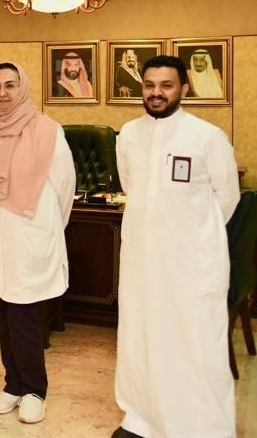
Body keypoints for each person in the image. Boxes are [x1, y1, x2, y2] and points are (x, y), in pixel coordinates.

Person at [113, 55, 239, 438]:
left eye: (166, 85)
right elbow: (132, 187)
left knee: (195, 346)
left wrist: (191, 237)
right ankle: (141, 419)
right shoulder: (128, 134)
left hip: (192, 265)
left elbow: (227, 198)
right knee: (141, 339)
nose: (156, 93)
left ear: (184, 88)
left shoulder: (207, 137)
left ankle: (203, 427)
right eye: (149, 85)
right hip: (142, 259)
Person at [0, 62, 75, 425]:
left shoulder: (47, 130)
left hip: (28, 234)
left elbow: (65, 188)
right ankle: (12, 385)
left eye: (10, 85)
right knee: (3, 313)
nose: (2, 93)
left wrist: (46, 228)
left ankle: (35, 390)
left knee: (24, 317)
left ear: (22, 88)